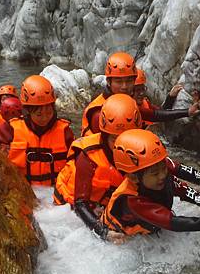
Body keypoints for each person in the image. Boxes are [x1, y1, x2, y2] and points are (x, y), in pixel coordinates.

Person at [101, 129, 200, 241]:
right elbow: (173, 223)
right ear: (133, 177)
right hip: (123, 236)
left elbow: (188, 173)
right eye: (154, 173)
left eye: (163, 168)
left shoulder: (157, 164)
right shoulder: (134, 201)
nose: (162, 175)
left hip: (150, 222)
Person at [54, 94, 142, 242]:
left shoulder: (142, 148)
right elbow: (80, 204)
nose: (122, 146)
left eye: (127, 137)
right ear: (105, 136)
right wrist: (103, 231)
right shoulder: (88, 155)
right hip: (70, 207)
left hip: (103, 203)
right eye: (115, 139)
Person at [0, 75, 74, 186]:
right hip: (26, 191)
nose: (44, 118)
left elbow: (75, 160)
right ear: (27, 111)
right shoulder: (13, 127)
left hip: (55, 191)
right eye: (39, 114)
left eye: (49, 112)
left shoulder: (64, 130)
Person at [80, 52, 199, 137]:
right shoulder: (99, 113)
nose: (124, 86)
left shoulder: (127, 104)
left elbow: (156, 114)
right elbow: (106, 149)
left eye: (129, 81)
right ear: (109, 82)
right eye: (118, 81)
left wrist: (187, 111)